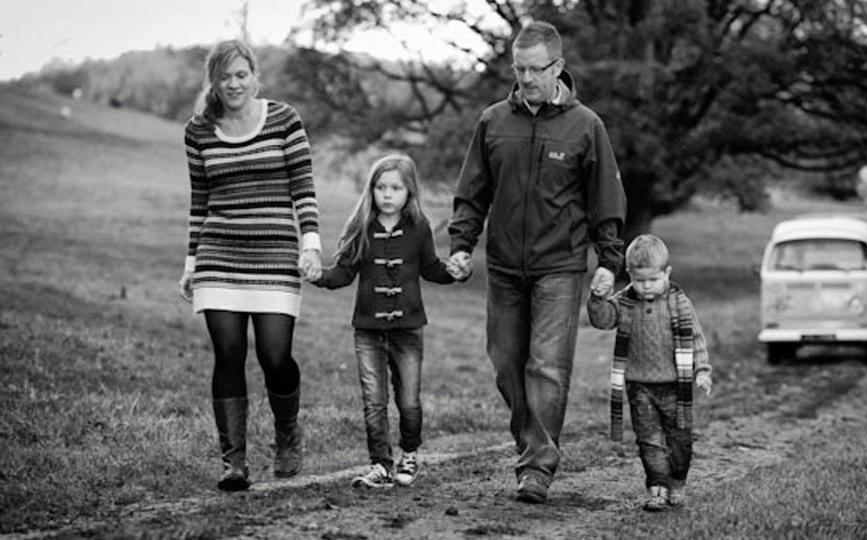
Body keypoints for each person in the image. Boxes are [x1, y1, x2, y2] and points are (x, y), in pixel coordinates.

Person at [446, 20, 627, 504]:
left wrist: (609, 259)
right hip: (504, 267)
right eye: (518, 69)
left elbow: (605, 199)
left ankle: (537, 467)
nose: (525, 79)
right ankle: (532, 442)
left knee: (546, 366)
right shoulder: (492, 122)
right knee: (507, 365)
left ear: (558, 68)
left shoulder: (586, 126)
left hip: (560, 267)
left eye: (535, 69)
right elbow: (472, 191)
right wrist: (462, 244)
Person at [177, 39, 323, 491]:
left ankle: (286, 435)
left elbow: (303, 187)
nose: (234, 83)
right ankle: (234, 463)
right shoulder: (198, 131)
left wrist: (311, 244)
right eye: (225, 77)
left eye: (241, 74)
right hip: (220, 257)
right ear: (214, 83)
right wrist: (191, 262)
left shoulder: (284, 119)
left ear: (254, 76)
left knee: (275, 356)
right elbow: (200, 202)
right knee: (229, 353)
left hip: (275, 252)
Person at [312, 154, 457, 488]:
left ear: (409, 192)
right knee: (374, 401)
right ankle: (380, 464)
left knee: (409, 399)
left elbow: (430, 269)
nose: (387, 194)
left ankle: (409, 453)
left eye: (395, 188)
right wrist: (317, 275)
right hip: (368, 330)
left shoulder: (419, 227)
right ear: (371, 189)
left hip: (408, 329)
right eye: (380, 187)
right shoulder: (361, 226)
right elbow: (343, 274)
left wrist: (454, 272)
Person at [587, 234, 712, 511]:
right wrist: (597, 299)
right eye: (639, 281)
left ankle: (677, 481)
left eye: (653, 280)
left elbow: (695, 337)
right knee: (649, 440)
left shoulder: (679, 303)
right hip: (638, 384)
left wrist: (702, 369)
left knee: (679, 441)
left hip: (674, 387)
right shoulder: (626, 301)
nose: (645, 287)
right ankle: (656, 487)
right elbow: (602, 319)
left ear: (667, 273)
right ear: (629, 274)